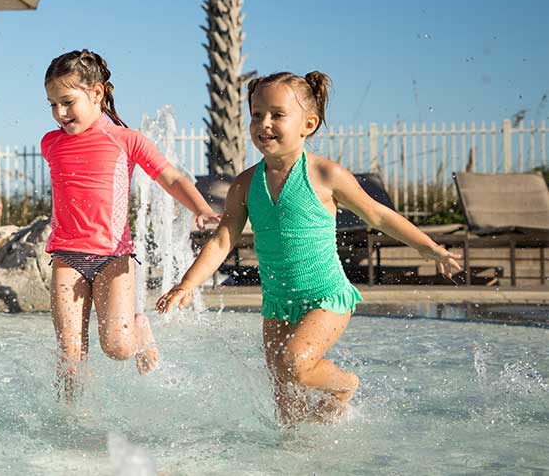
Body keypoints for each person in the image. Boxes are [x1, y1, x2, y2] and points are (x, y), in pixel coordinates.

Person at [156, 71, 463, 425]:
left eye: (277, 114)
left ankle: (345, 386)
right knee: (286, 402)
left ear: (308, 124)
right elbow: (223, 239)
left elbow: (378, 216)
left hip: (326, 297)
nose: (264, 123)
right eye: (256, 114)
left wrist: (431, 249)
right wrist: (187, 284)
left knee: (295, 365)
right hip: (277, 302)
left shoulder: (324, 175)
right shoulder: (244, 184)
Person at [42, 50, 219, 401]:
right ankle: (71, 424)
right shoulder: (51, 143)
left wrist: (200, 208)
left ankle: (139, 328)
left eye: (67, 101)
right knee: (71, 356)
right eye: (52, 105)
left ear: (97, 93)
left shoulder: (126, 140)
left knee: (118, 347)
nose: (60, 113)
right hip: (65, 256)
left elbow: (169, 177)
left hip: (113, 257)